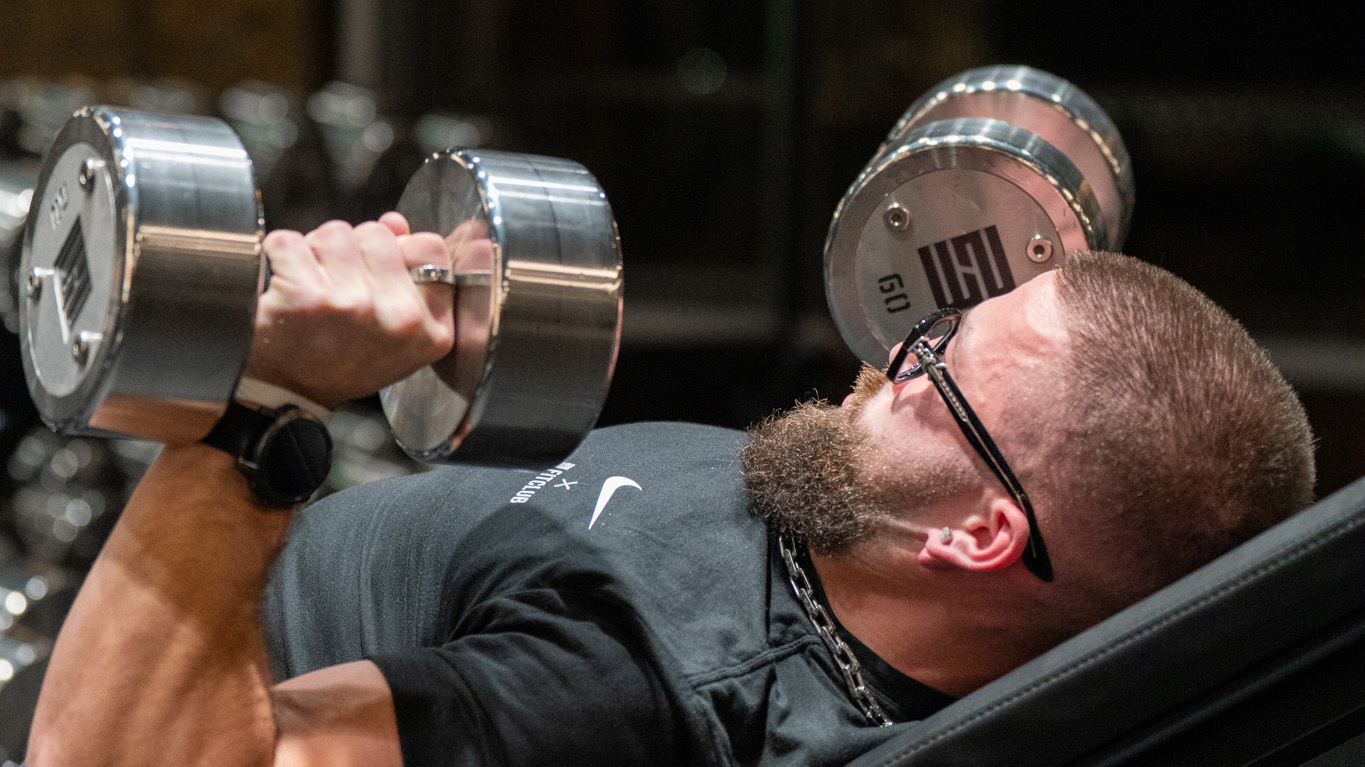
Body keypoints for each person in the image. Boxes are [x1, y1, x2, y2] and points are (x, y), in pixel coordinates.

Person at [22, 212, 1314, 767]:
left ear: (979, 537)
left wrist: (264, 415)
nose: (887, 360)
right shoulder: (849, 533)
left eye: (936, 369)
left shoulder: (636, 691)